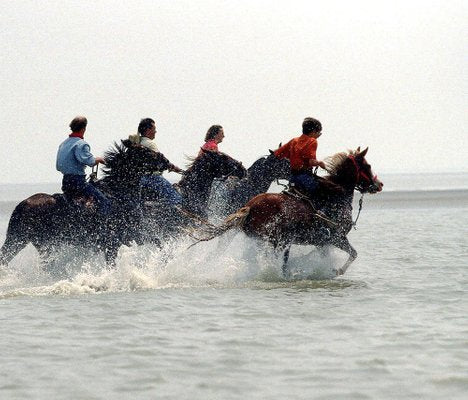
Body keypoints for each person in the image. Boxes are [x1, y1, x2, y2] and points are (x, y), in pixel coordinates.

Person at [56, 116, 111, 215]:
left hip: (66, 182)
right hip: (78, 183)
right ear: (83, 129)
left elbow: (58, 166)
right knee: (104, 202)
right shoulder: (81, 144)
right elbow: (90, 162)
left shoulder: (63, 144)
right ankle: (101, 228)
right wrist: (99, 159)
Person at [129, 118, 183, 206]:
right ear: (148, 130)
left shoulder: (138, 142)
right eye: (154, 129)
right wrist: (172, 167)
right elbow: (159, 160)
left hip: (140, 179)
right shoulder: (150, 144)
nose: (156, 131)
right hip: (152, 177)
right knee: (176, 199)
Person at [274, 117, 327, 198]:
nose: (319, 135)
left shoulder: (293, 141)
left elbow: (277, 154)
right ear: (313, 131)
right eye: (318, 132)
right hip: (304, 179)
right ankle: (318, 210)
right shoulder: (312, 141)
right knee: (322, 193)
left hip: (292, 179)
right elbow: (311, 162)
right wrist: (320, 163)